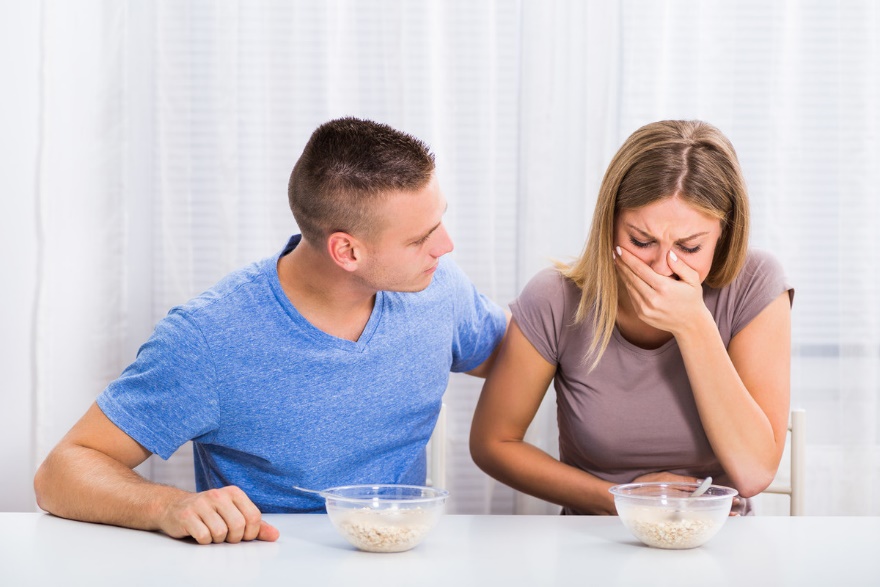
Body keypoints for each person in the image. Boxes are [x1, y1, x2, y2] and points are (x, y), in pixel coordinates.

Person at [34, 117, 508, 543]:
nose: (445, 245)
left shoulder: (438, 288)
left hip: (397, 558)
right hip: (266, 562)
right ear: (347, 252)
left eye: (439, 219)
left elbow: (519, 354)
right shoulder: (208, 338)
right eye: (421, 238)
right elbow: (61, 472)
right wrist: (167, 506)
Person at [469, 120, 792, 516]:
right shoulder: (555, 299)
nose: (662, 266)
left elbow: (755, 473)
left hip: (716, 544)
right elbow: (493, 444)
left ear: (723, 234)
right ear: (610, 224)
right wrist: (624, 499)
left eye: (689, 247)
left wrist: (693, 325)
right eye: (641, 241)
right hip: (594, 540)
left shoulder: (755, 283)